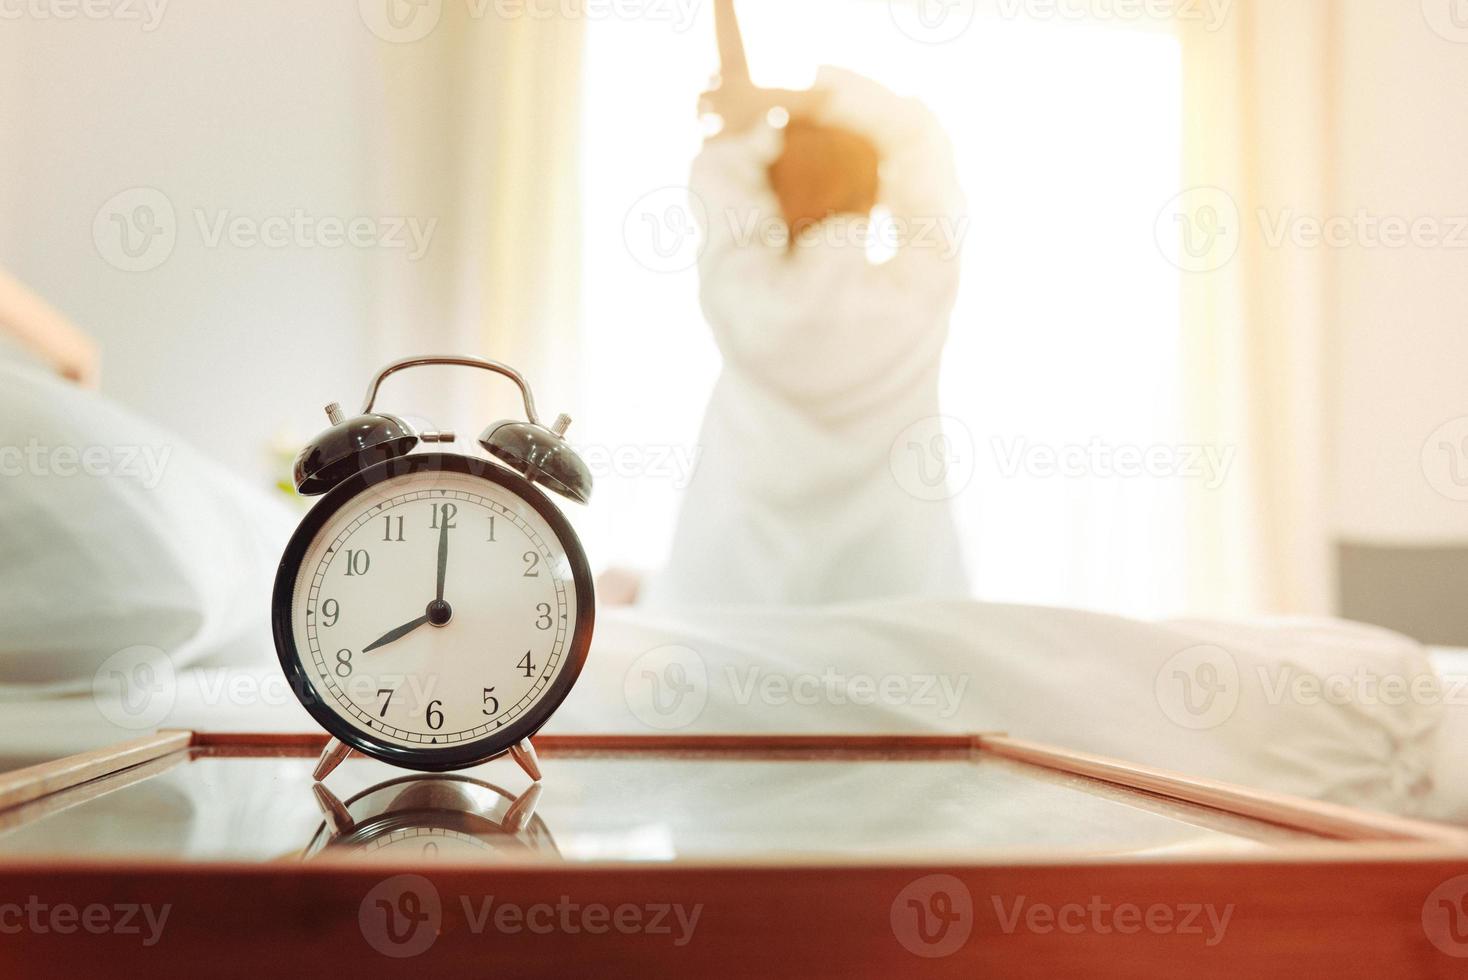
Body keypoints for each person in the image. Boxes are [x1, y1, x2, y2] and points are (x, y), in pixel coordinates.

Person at [633, 3, 970, 608]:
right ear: (875, 190)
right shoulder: (918, 291)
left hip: (734, 592)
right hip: (898, 593)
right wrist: (775, 96)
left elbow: (725, 175)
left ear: (773, 189)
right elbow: (917, 136)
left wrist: (748, 118)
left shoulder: (742, 293)